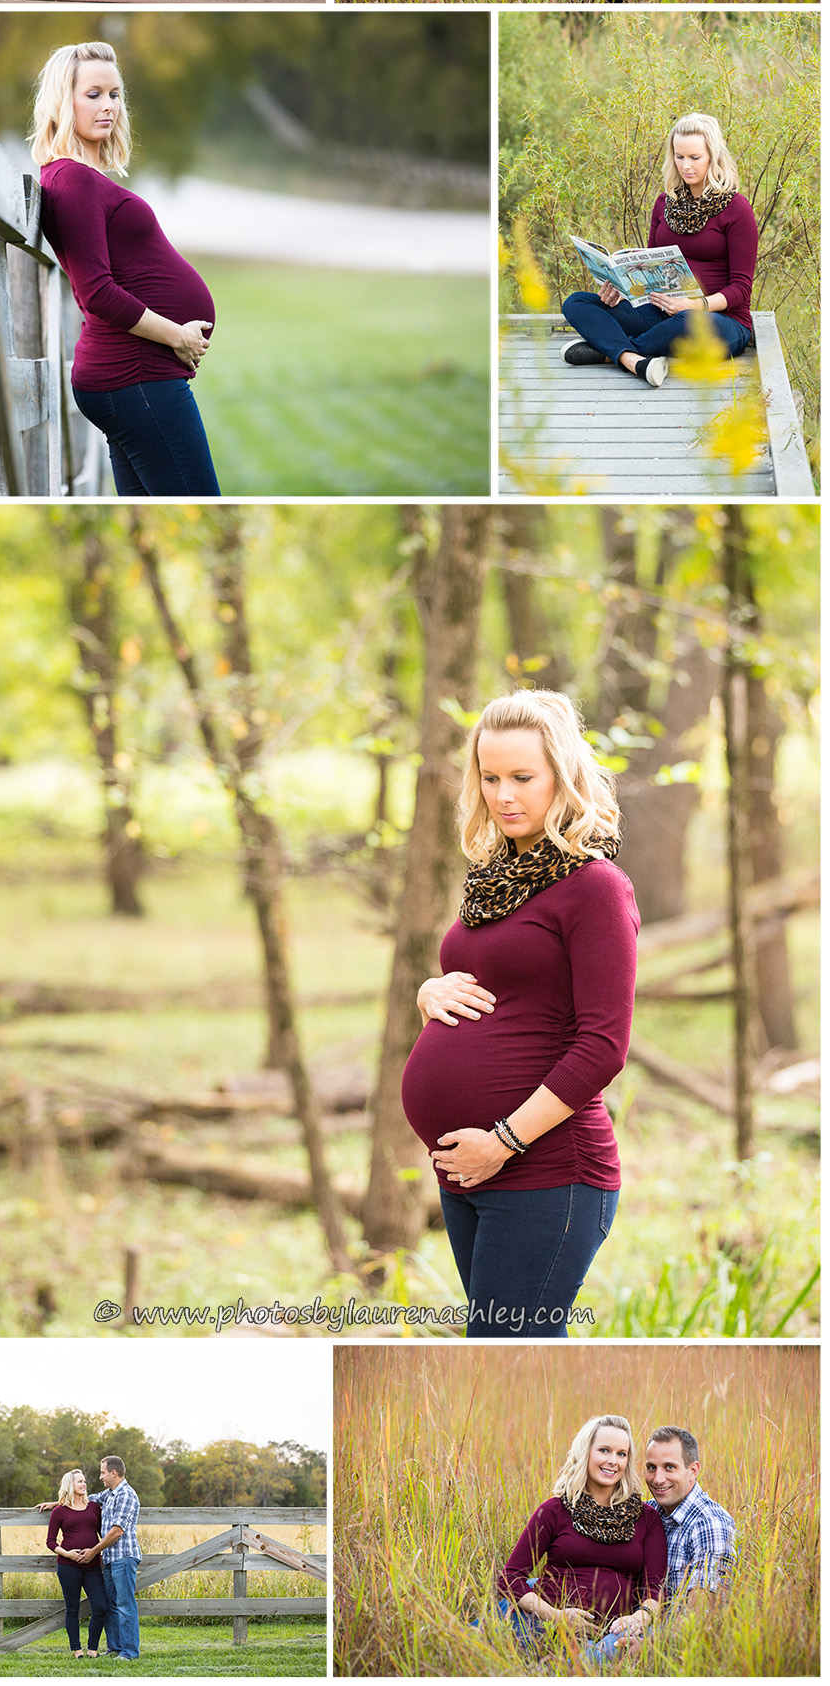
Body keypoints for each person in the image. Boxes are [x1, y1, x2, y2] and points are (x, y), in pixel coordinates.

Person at [400, 688, 639, 1341]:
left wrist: (500, 1141)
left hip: (545, 1169)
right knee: (492, 1343)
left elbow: (603, 1046)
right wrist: (431, 991)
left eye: (523, 778)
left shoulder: (594, 888)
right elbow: (496, 985)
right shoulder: (497, 875)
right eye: (490, 777)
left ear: (562, 776)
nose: (504, 794)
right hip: (466, 1167)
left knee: (509, 1347)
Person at [32, 38, 221, 496]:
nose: (109, 106)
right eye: (93, 94)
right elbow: (95, 291)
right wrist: (178, 335)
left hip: (136, 378)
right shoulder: (73, 179)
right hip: (134, 377)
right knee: (199, 500)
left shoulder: (82, 178)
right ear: (64, 100)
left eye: (115, 94)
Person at [560, 111, 758, 392]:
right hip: (661, 313)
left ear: (713, 156)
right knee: (577, 302)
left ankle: (610, 351)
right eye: (679, 157)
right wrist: (621, 291)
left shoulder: (737, 210)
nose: (685, 166)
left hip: (720, 323)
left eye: (695, 157)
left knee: (688, 322)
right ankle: (634, 360)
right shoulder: (664, 204)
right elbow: (651, 269)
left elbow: (741, 290)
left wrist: (694, 305)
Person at [493, 1413, 667, 1652]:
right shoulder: (555, 1511)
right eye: (604, 1450)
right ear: (585, 1452)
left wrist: (640, 1618)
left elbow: (654, 1588)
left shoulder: (646, 1518)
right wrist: (556, 1616)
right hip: (544, 1624)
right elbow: (509, 1577)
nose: (613, 1461)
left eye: (621, 1454)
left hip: (609, 1637)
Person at [592, 1425, 736, 1658]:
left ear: (693, 1470)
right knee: (528, 1590)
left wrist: (651, 1649)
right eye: (651, 1468)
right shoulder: (647, 1511)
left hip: (658, 1637)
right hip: (623, 1617)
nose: (658, 1479)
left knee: (578, 1665)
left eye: (669, 1467)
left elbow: (701, 1615)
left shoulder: (710, 1524)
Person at [47, 1469, 110, 1661]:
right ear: (70, 1485)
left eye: (84, 1481)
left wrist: (95, 1552)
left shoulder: (93, 1508)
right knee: (72, 1608)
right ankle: (77, 1650)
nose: (84, 1484)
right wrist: (68, 1554)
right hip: (68, 1566)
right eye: (79, 1482)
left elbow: (102, 1535)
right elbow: (50, 1542)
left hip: (92, 1566)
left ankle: (93, 1648)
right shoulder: (59, 1511)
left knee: (101, 1606)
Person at [98, 1455, 141, 1665]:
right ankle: (115, 1647)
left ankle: (130, 1651)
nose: (100, 1477)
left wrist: (93, 1551)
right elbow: (86, 1499)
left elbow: (116, 1532)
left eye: (103, 1472)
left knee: (125, 1605)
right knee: (110, 1605)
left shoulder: (126, 1495)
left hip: (123, 1558)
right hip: (109, 1559)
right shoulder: (110, 1494)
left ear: (113, 1473)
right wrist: (58, 1503)